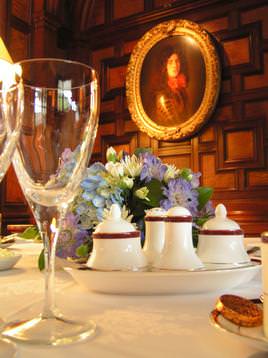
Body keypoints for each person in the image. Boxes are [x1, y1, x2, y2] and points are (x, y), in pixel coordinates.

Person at [153, 47, 189, 127]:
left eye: (177, 61)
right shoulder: (161, 91)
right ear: (164, 65)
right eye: (170, 62)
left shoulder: (182, 85)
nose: (175, 65)